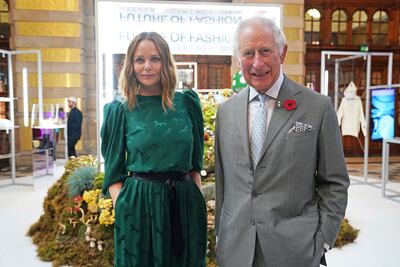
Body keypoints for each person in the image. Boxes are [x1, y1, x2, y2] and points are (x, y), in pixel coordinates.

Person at [214, 17, 350, 267]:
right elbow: (225, 184)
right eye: (248, 53)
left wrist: (323, 240)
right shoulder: (226, 112)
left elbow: (335, 182)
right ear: (237, 59)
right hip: (235, 250)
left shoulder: (317, 107)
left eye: (265, 51)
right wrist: (222, 234)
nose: (257, 62)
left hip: (295, 251)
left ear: (282, 52)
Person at [101, 32, 207, 267]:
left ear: (166, 63)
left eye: (155, 59)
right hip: (139, 208)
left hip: (184, 205)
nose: (147, 66)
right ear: (131, 64)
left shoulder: (187, 103)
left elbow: (195, 165)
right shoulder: (121, 110)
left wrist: (195, 202)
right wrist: (125, 208)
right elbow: (113, 172)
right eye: (140, 60)